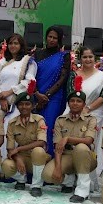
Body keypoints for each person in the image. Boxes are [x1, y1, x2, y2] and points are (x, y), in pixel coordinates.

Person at [41, 82, 97, 203]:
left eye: (79, 101)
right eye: (72, 101)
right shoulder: (60, 120)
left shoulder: (90, 119)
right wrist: (58, 167)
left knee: (81, 147)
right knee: (48, 175)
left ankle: (82, 190)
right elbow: (57, 146)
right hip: (67, 155)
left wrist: (68, 139)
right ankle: (69, 180)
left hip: (85, 157)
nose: (75, 103)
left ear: (84, 104)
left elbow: (89, 140)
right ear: (68, 103)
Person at [63, 47, 103, 191]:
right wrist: (77, 109)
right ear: (80, 59)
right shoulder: (74, 75)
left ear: (95, 59)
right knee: (70, 143)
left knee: (88, 147)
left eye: (90, 57)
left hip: (94, 114)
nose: (88, 60)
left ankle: (86, 181)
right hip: (72, 111)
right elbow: (71, 93)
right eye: (85, 57)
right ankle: (69, 179)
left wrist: (87, 109)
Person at [0, 33, 37, 156]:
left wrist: (9, 92)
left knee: (10, 131)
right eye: (10, 43)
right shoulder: (2, 61)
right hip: (0, 103)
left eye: (16, 43)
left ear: (21, 46)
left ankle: (10, 164)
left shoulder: (28, 62)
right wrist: (1, 95)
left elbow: (29, 81)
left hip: (17, 104)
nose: (13, 46)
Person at [0, 82, 49, 197]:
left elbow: (41, 142)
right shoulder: (12, 123)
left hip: (36, 157)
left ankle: (36, 185)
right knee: (6, 165)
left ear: (32, 106)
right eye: (21, 104)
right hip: (21, 156)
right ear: (17, 106)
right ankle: (21, 179)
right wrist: (17, 158)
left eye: (27, 104)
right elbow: (10, 148)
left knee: (38, 150)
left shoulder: (39, 120)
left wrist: (19, 149)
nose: (24, 107)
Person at [33, 26, 70, 156]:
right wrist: (37, 94)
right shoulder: (38, 53)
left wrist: (46, 96)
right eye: (50, 37)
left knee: (48, 128)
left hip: (53, 98)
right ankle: (35, 159)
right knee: (34, 127)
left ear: (59, 40)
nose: (52, 40)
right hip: (37, 96)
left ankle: (48, 157)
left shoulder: (64, 56)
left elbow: (63, 77)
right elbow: (32, 75)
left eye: (55, 38)